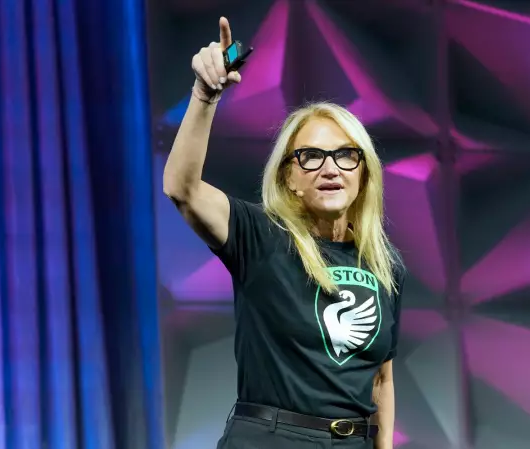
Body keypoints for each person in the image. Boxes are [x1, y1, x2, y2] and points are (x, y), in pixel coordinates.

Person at [163, 17, 406, 449]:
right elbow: (183, 189)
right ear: (289, 178)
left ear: (363, 173)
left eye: (345, 155)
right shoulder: (260, 237)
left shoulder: (384, 265)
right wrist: (203, 95)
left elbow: (381, 378)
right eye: (311, 156)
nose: (330, 168)